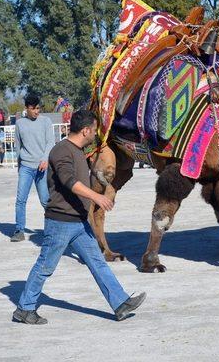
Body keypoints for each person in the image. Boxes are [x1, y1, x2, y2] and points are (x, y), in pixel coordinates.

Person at [13, 110, 146, 324]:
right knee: (45, 266)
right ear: (85, 130)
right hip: (61, 222)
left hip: (79, 223)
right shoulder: (61, 151)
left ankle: (120, 303)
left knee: (98, 263)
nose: (95, 134)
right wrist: (97, 197)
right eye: (94, 130)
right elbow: (68, 181)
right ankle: (24, 308)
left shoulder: (79, 150)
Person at [11, 95, 54, 242]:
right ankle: (19, 230)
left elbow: (50, 143)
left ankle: (51, 230)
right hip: (26, 167)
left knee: (45, 200)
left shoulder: (46, 121)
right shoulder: (20, 124)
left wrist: (45, 159)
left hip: (42, 167)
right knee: (20, 199)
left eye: (38, 108)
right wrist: (19, 166)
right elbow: (18, 146)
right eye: (33, 108)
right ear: (27, 108)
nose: (36, 111)